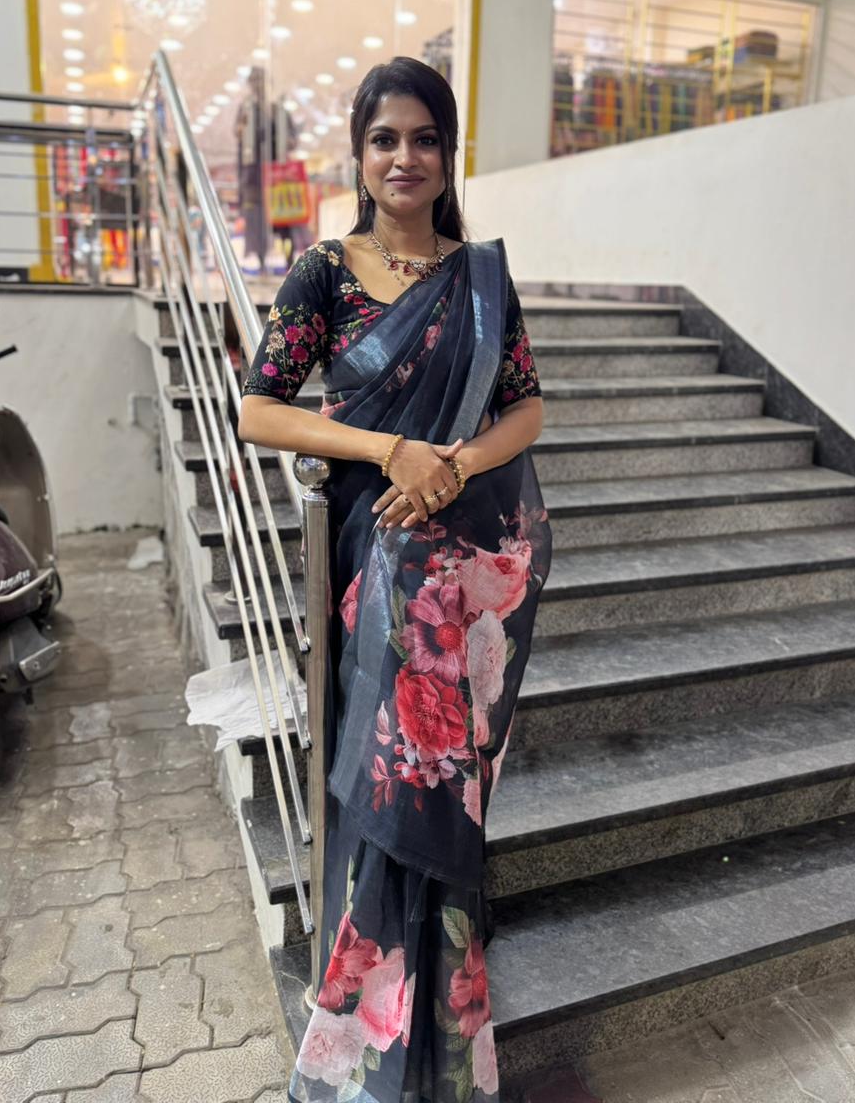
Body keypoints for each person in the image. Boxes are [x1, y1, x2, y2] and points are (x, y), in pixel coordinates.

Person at [238, 56, 552, 1102]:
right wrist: (390, 451)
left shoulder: (481, 276)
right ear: (360, 155)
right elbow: (260, 408)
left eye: (424, 138)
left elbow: (526, 407)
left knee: (445, 784)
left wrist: (452, 465)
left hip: (465, 572)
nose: (404, 156)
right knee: (390, 782)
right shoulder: (325, 272)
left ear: (448, 153)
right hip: (372, 565)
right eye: (385, 139)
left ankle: (446, 1039)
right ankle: (366, 1047)